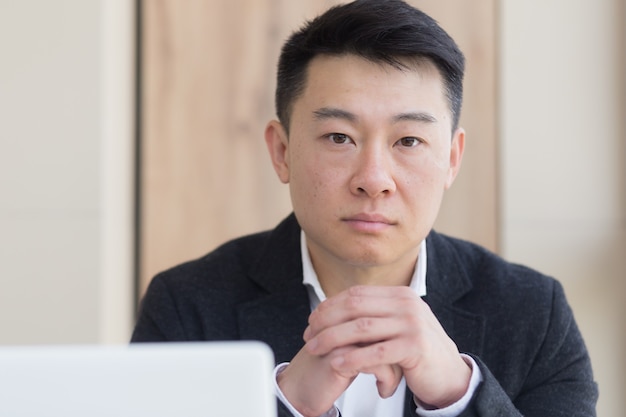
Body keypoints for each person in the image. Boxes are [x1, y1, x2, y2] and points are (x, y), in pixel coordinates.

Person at [131, 1, 598, 416]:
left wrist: (459, 395)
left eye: (409, 140)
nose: (373, 179)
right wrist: (287, 405)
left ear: (451, 160)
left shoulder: (534, 313)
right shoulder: (187, 307)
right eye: (339, 137)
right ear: (282, 151)